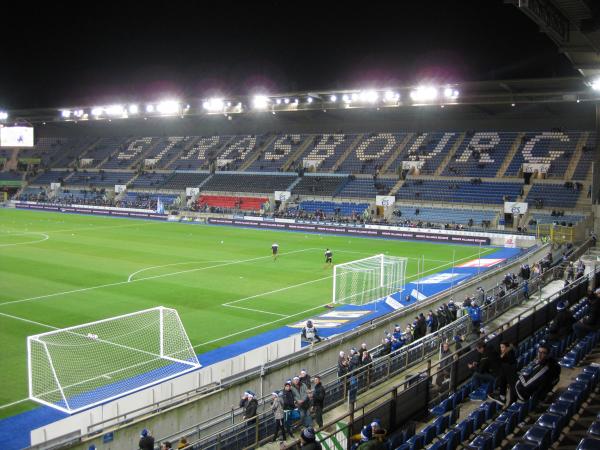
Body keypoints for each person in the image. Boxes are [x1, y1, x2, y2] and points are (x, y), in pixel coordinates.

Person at [489, 341, 517, 406]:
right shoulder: (507, 353)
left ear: (507, 348)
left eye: (503, 347)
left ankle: (502, 396)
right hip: (509, 377)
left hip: (511, 378)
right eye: (500, 347)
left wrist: (501, 358)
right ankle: (501, 395)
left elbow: (503, 364)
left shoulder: (509, 354)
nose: (501, 349)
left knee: (502, 370)